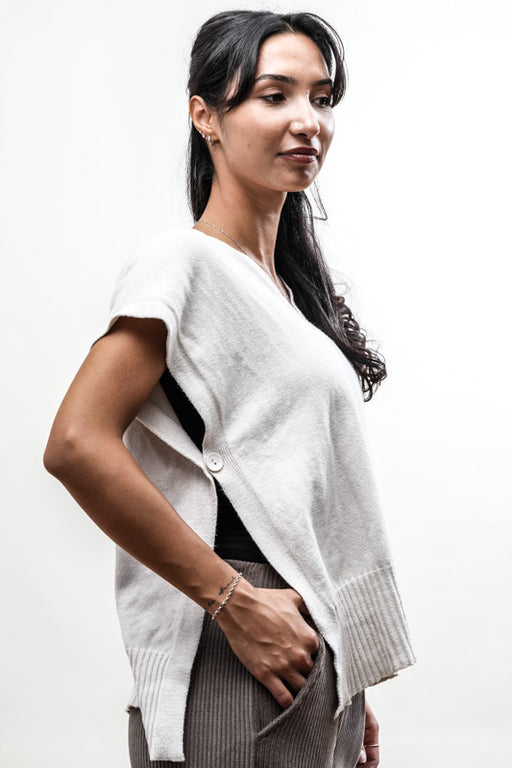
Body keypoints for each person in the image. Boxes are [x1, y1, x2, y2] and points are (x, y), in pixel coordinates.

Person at [43, 10, 416, 768]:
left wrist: (344, 670)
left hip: (300, 650)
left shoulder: (286, 295)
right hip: (235, 647)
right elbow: (76, 444)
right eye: (275, 96)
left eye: (322, 98)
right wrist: (233, 602)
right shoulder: (182, 262)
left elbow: (281, 492)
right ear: (205, 116)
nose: (307, 120)